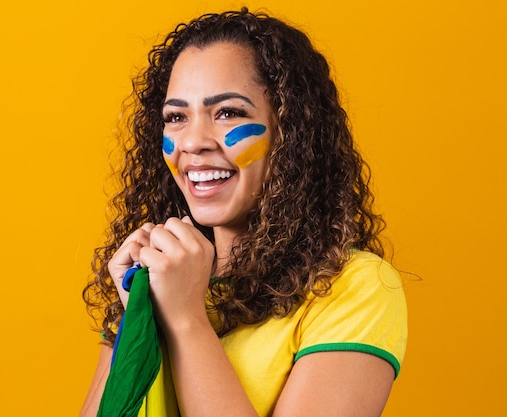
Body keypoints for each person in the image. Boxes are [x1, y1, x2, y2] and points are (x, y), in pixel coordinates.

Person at [80, 8, 407, 417]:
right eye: (176, 117)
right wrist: (134, 321)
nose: (193, 142)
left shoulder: (354, 288)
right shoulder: (159, 281)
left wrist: (185, 321)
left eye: (228, 113)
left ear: (290, 133)